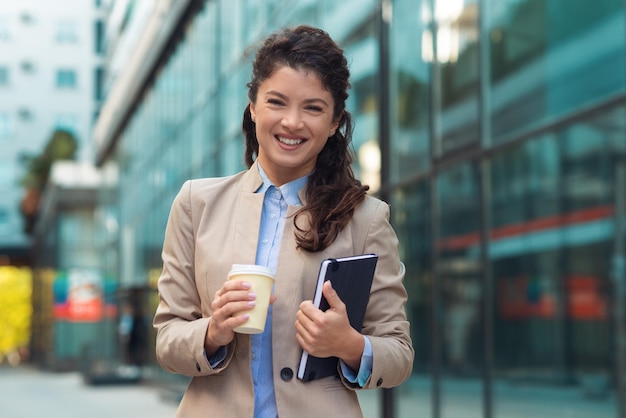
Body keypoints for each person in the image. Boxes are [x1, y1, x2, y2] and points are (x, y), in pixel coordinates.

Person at [153, 25, 414, 418]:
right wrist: (213, 332)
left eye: (313, 107)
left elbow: (399, 352)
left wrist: (348, 344)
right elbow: (168, 340)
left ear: (333, 121)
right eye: (277, 102)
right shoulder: (196, 204)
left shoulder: (366, 218)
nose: (292, 122)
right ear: (253, 106)